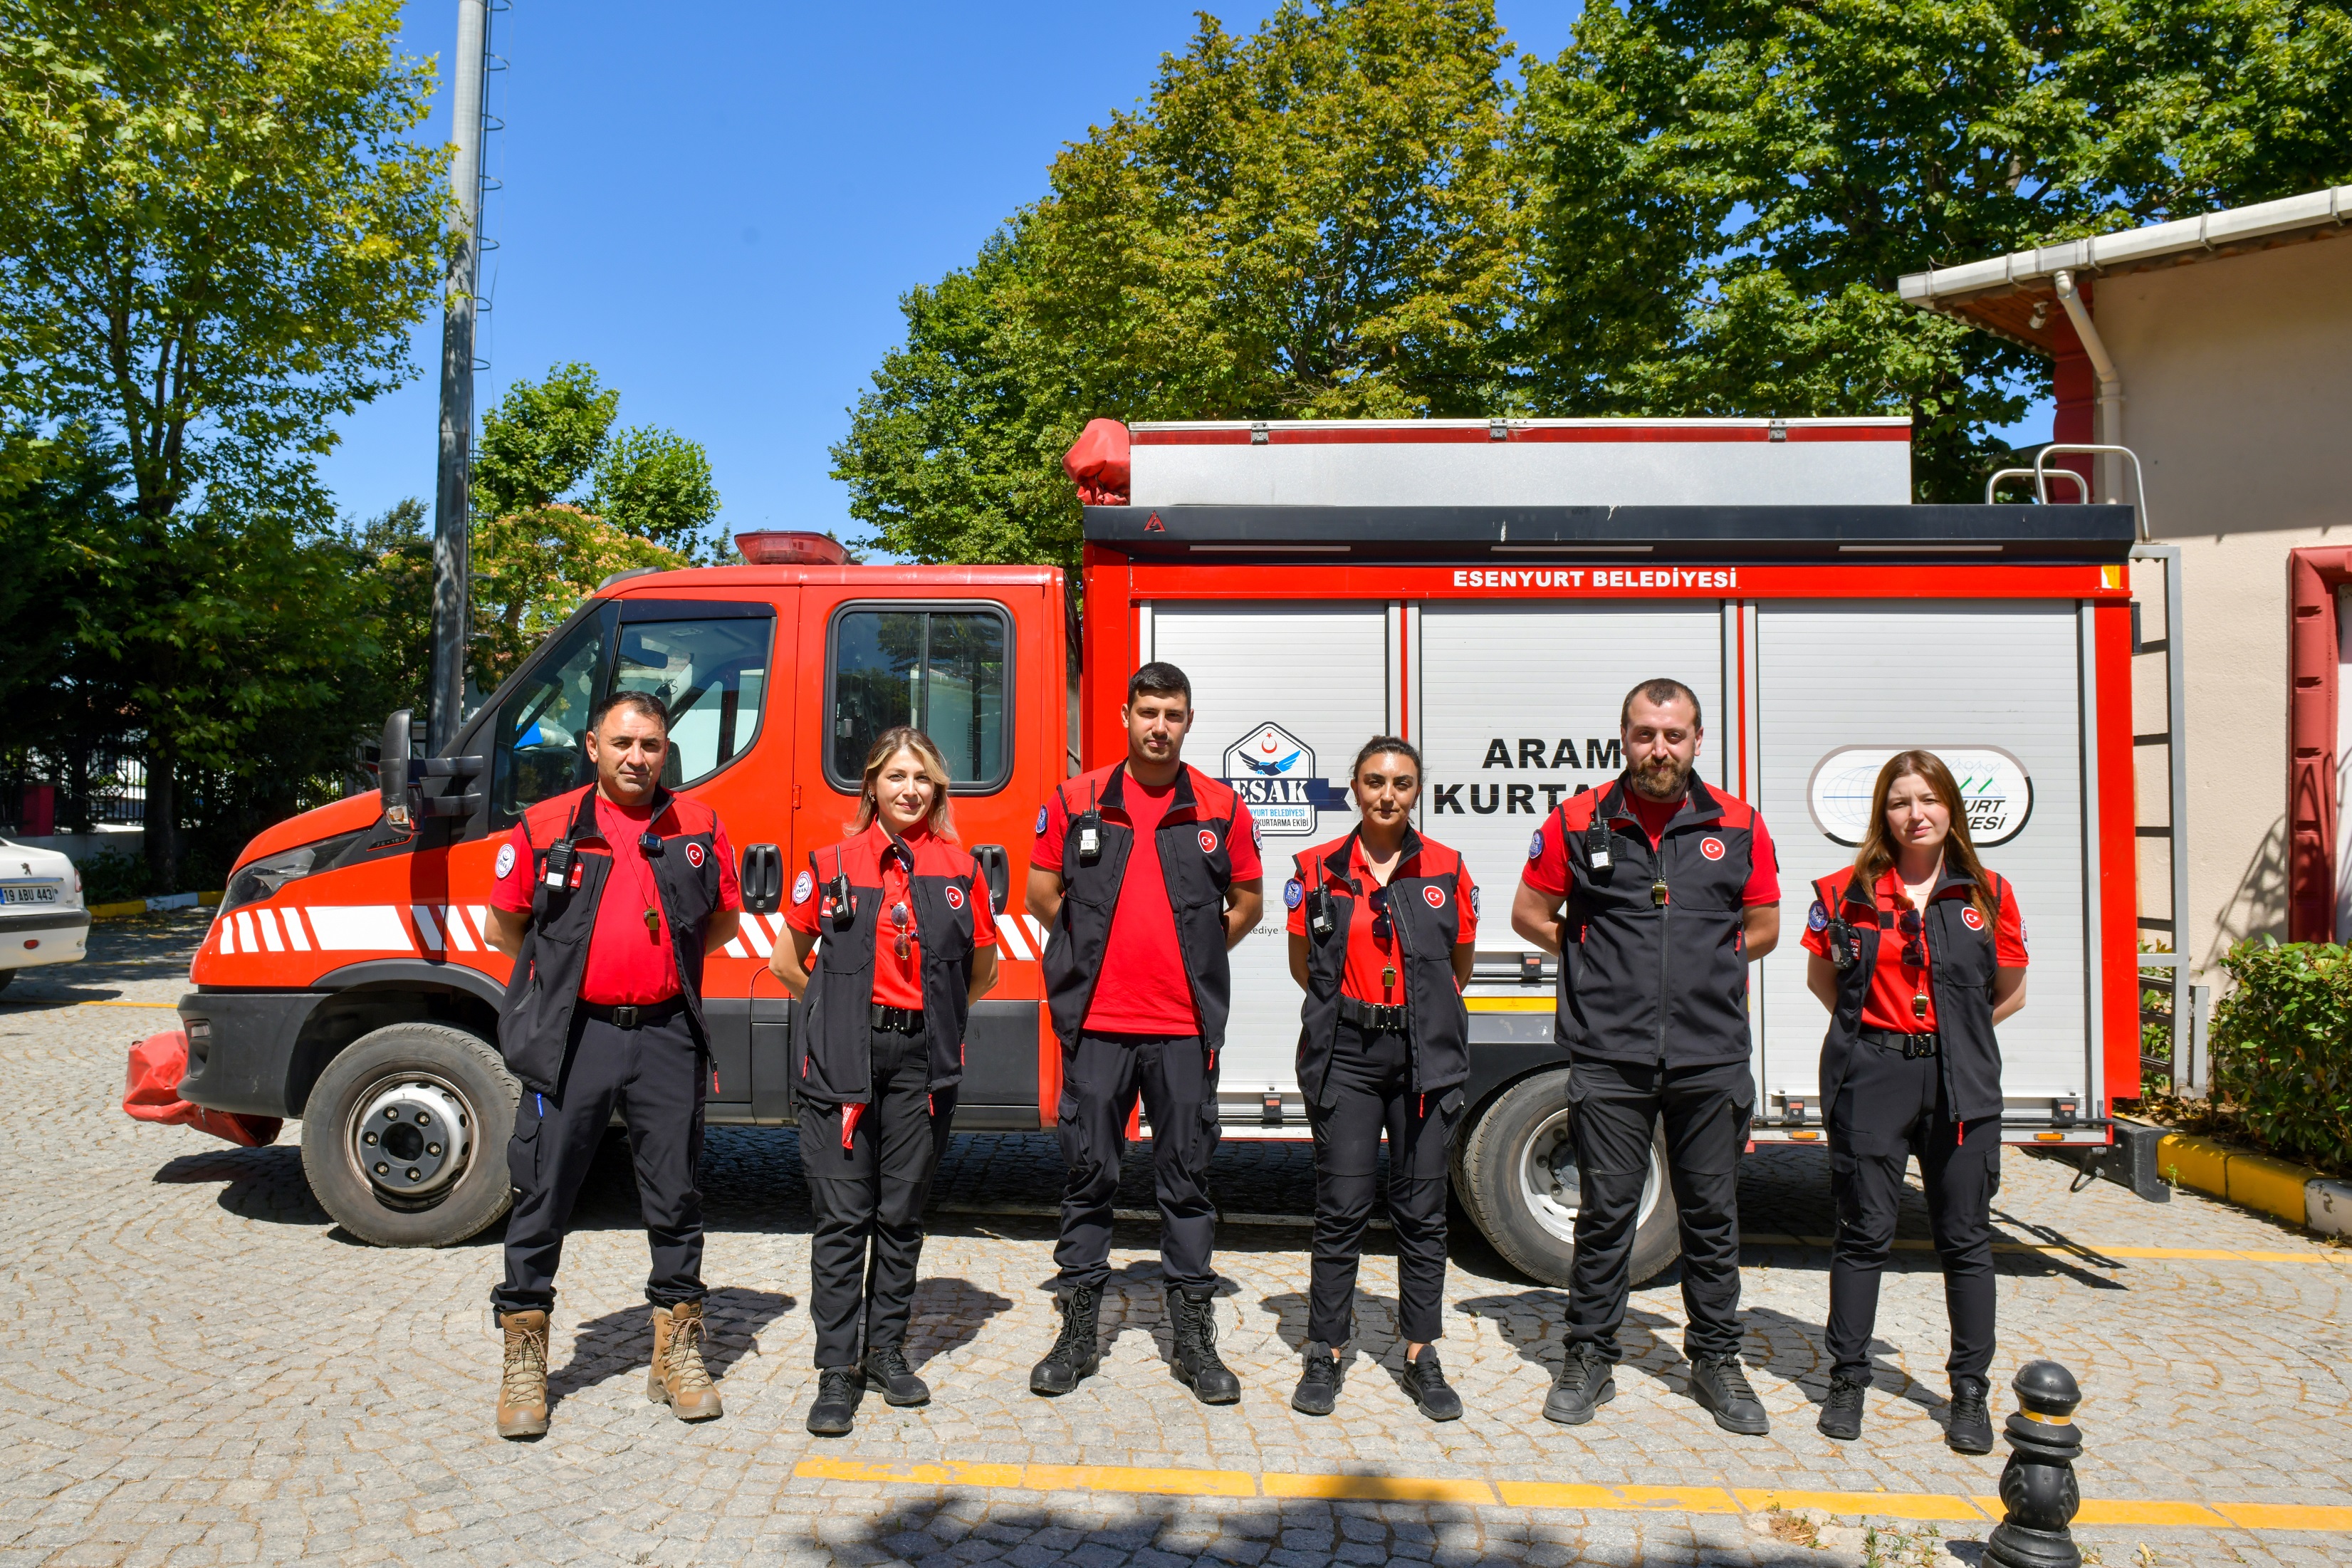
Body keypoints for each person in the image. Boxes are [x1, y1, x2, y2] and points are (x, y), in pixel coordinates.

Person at [1512, 677, 1782, 1436]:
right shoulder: (1577, 821)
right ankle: (1589, 1356)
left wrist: (1709, 958)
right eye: (1644, 734)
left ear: (1699, 740)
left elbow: (1763, 924)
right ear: (1622, 738)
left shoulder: (1738, 825)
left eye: (1674, 734)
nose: (1658, 748)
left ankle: (1717, 1362)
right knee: (1605, 1216)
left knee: (1710, 1217)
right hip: (1610, 1054)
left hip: (1710, 1054)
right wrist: (1595, 957)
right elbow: (1531, 913)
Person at [482, 690, 744, 1440]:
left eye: (652, 745)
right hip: (575, 1035)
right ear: (593, 745)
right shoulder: (545, 827)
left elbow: (720, 919)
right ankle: (527, 1356)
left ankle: (679, 1350)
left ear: (667, 751)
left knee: (676, 1194)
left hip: (666, 1033)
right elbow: (509, 925)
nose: (638, 758)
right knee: (544, 1193)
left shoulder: (699, 826)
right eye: (624, 743)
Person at [1025, 662, 1264, 1404]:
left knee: (1186, 1181)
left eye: (1174, 714)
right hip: (1097, 1025)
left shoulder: (1221, 808)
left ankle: (1193, 1340)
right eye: (1149, 711)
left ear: (1189, 722)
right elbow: (1040, 892)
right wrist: (1093, 949)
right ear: (1126, 715)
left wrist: (1188, 955)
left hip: (1183, 1030)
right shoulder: (1077, 800)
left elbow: (1248, 902)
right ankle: (1077, 1332)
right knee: (1088, 1174)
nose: (1160, 726)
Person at [771, 726, 1000, 1436]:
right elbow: (788, 960)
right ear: (870, 785)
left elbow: (984, 971)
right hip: (843, 1061)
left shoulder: (961, 870)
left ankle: (887, 1353)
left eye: (923, 779)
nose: (910, 790)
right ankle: (837, 1371)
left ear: (938, 791)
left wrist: (928, 1015)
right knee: (843, 1219)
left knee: (900, 1216)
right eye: (897, 776)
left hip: (921, 1066)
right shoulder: (831, 862)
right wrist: (838, 1011)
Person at [1802, 749, 2028, 1454]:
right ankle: (1847, 1381)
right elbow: (1823, 981)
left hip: (1962, 1082)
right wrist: (1888, 1035)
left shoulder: (1989, 892)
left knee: (1964, 1240)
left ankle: (1968, 1394)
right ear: (1883, 814)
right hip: (1874, 1074)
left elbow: (2011, 990)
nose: (1915, 814)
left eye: (1928, 800)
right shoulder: (1845, 892)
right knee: (1864, 1233)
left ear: (1950, 810)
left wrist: (1953, 1035)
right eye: (1901, 802)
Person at [1285, 737, 1476, 1422]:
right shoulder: (1316, 869)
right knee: (1339, 1211)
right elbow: (1302, 962)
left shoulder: (1447, 869)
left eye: (1401, 783)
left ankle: (1421, 1352)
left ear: (1416, 791)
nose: (1387, 795)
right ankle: (1326, 1348)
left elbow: (1460, 965)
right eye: (1373, 781)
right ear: (1354, 788)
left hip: (1423, 1057)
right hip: (1349, 1057)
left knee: (1422, 1214)